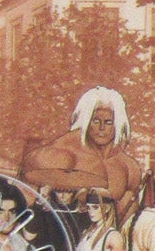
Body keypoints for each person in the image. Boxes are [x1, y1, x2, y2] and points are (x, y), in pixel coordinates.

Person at [24, 85, 146, 223]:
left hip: (103, 233)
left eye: (108, 122)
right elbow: (29, 194)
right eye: (96, 121)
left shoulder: (128, 167)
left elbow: (126, 223)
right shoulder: (65, 148)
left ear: (117, 124)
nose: (101, 128)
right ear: (87, 121)